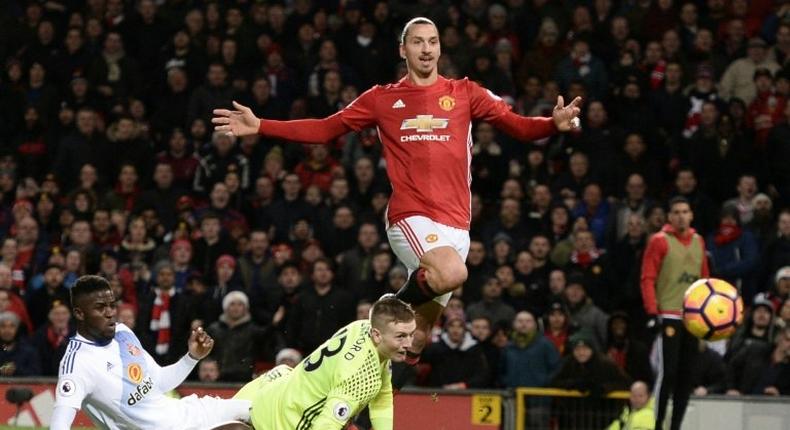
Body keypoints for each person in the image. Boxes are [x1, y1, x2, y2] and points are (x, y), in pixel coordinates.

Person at [212, 16, 581, 362]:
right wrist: (261, 125)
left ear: (440, 49)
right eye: (417, 42)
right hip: (411, 216)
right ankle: (387, 310)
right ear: (402, 50)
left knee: (416, 339)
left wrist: (551, 124)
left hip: (457, 227)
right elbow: (326, 128)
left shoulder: (465, 92)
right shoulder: (382, 98)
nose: (426, 49)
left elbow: (517, 125)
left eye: (433, 42)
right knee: (452, 274)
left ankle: (370, 412)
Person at [50, 275, 251, 430]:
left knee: (256, 411)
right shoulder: (77, 364)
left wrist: (192, 357)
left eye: (112, 305)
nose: (110, 312)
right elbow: (59, 425)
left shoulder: (123, 333)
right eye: (100, 307)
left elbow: (159, 382)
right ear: (79, 313)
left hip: (183, 413)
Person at [233, 297, 416, 430]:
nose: (409, 344)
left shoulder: (361, 327)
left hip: (268, 393)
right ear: (377, 335)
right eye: (401, 336)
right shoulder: (361, 377)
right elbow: (325, 426)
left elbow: (383, 396)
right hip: (279, 423)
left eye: (411, 334)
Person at [641, 196, 710, 430]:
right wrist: (652, 311)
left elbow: (704, 279)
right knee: (667, 373)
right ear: (670, 217)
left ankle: (675, 426)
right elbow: (648, 277)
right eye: (677, 212)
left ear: (691, 215)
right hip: (668, 314)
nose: (681, 216)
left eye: (685, 211)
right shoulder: (659, 241)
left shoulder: (698, 241)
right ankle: (658, 423)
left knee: (686, 376)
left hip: (691, 317)